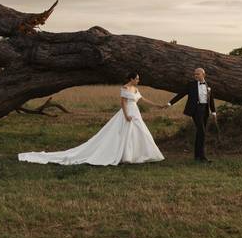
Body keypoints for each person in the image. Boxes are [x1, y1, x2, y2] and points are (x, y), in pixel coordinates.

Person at [18, 72, 166, 166]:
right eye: (137, 78)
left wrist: (158, 105)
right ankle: (123, 155)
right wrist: (126, 115)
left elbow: (143, 99)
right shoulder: (125, 89)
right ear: (131, 79)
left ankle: (138, 155)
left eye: (139, 79)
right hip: (127, 113)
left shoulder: (136, 90)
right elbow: (122, 103)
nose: (138, 80)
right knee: (124, 134)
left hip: (136, 112)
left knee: (140, 133)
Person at [166, 68, 216, 163]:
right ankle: (202, 157)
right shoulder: (191, 85)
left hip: (205, 110)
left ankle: (197, 156)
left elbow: (211, 99)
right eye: (195, 74)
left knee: (200, 133)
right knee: (202, 132)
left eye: (198, 74)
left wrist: (213, 112)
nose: (196, 75)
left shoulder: (208, 85)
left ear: (203, 75)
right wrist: (170, 103)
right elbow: (181, 94)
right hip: (195, 110)